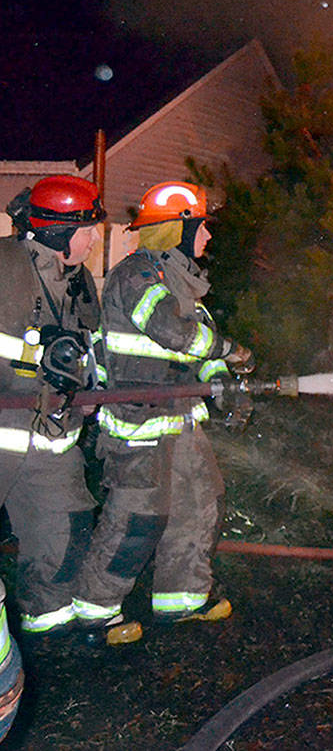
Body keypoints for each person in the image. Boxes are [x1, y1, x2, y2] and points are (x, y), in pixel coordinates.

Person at [73, 180, 253, 635]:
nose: (208, 238)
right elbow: (172, 332)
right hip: (140, 425)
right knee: (136, 520)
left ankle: (181, 599)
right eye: (202, 227)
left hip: (183, 424)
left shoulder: (185, 286)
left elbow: (199, 354)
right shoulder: (137, 276)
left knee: (199, 506)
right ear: (178, 228)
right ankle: (96, 613)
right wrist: (231, 351)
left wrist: (224, 385)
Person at [0, 175, 106, 649]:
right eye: (87, 228)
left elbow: (93, 351)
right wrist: (33, 357)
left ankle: (46, 630)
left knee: (65, 529)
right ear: (57, 233)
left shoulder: (79, 282)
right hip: (4, 428)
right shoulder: (3, 268)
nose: (96, 237)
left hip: (49, 438)